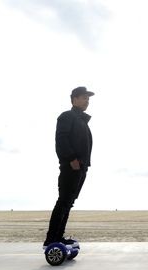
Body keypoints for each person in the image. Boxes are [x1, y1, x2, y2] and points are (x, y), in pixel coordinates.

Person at [43, 87, 94, 248]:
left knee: (68, 202)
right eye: (84, 97)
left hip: (81, 167)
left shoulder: (81, 120)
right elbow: (61, 139)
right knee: (64, 201)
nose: (87, 100)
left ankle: (59, 236)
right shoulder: (67, 116)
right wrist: (71, 159)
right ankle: (51, 239)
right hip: (71, 166)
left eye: (88, 98)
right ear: (74, 99)